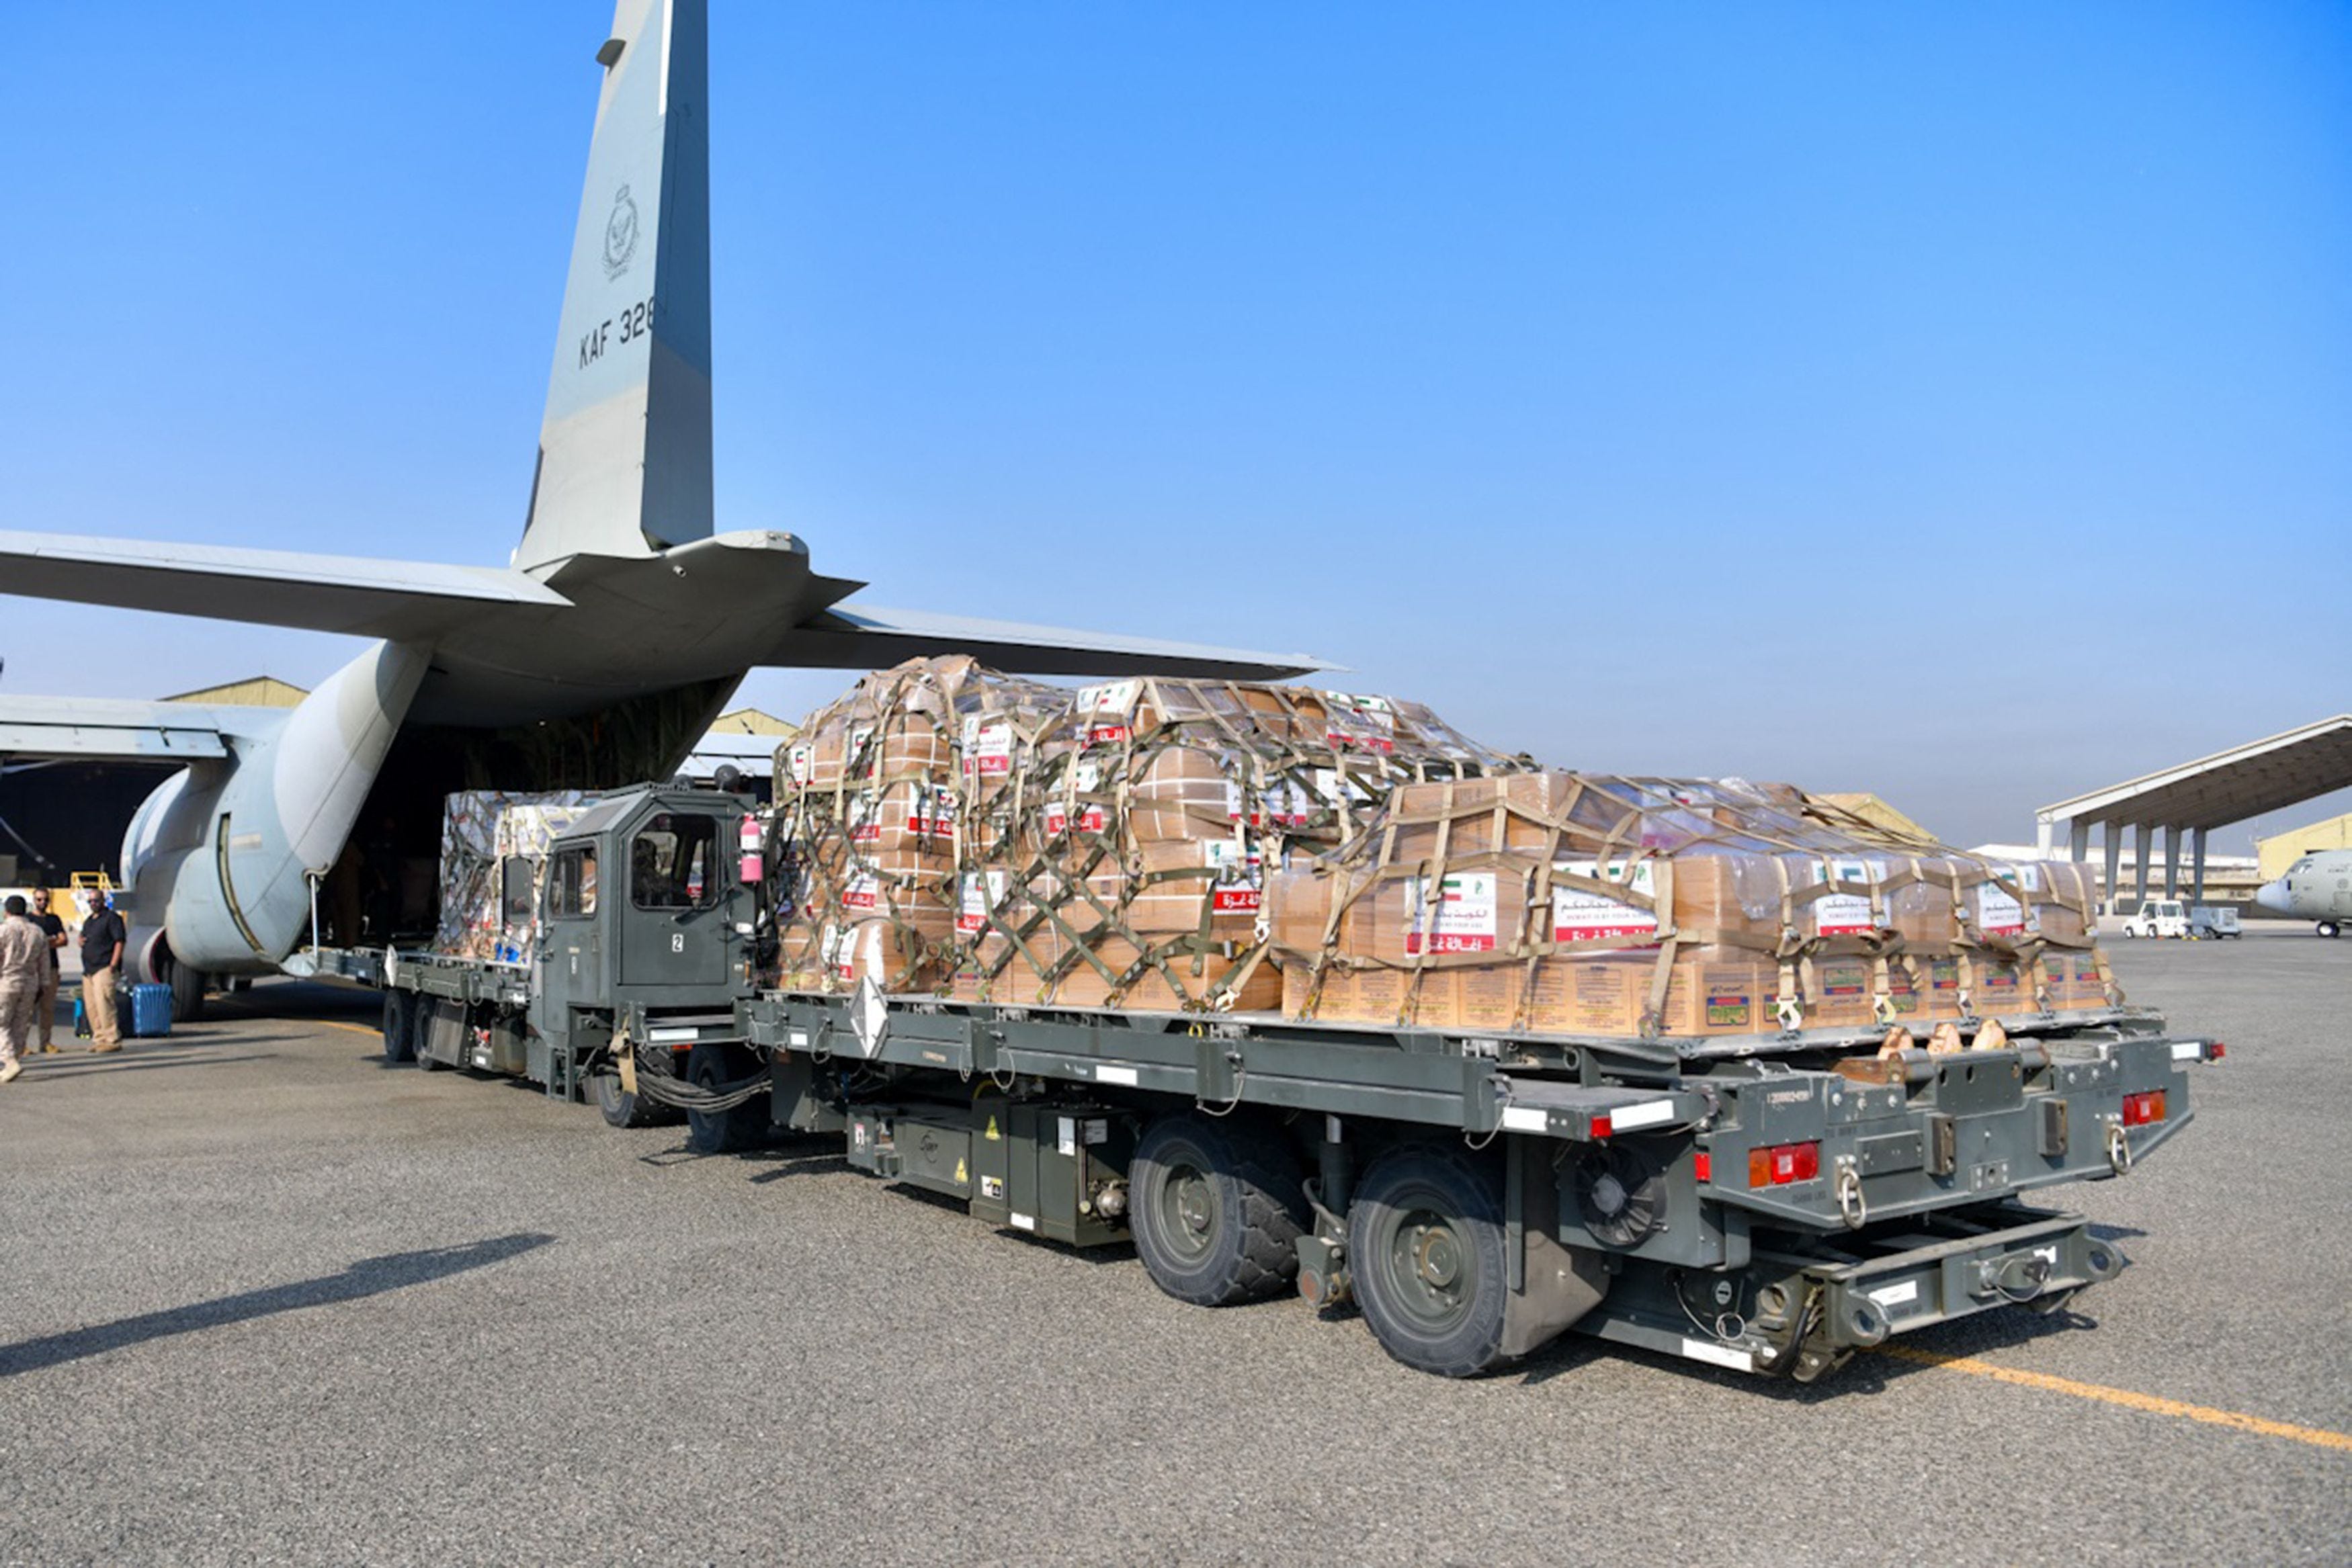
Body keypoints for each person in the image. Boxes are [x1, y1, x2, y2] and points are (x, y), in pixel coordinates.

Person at [0, 895, 47, 1083]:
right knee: (21, 1023)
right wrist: (44, 984)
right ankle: (15, 1059)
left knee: (2, 1023)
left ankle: (9, 1060)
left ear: (7, 911)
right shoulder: (37, 931)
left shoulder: (4, 930)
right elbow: (44, 962)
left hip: (7, 981)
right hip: (29, 982)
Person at [79, 888, 128, 1055]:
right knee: (92, 1007)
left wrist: (113, 964)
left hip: (104, 967)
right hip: (89, 970)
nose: (94, 904)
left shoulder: (112, 919)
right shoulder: (89, 921)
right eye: (91, 901)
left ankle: (112, 1038)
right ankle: (99, 1038)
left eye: (96, 901)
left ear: (103, 901)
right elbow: (84, 938)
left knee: (104, 1003)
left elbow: (119, 941)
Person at [27, 888, 67, 1053]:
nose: (43, 903)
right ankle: (22, 1044)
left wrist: (46, 944)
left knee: (47, 1007)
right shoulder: (28, 920)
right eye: (39, 900)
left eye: (45, 900)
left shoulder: (54, 919)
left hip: (51, 967)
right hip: (32, 969)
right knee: (28, 1009)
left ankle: (46, 1042)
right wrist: (48, 942)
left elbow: (63, 940)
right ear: (34, 900)